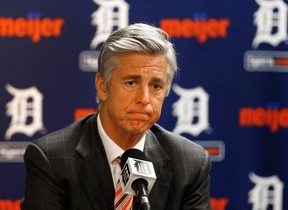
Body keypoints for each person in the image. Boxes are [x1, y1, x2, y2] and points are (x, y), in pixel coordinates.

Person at [21, 23, 211, 210]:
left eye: (156, 86)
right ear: (103, 86)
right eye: (131, 83)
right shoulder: (51, 160)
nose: (144, 99)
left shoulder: (190, 164)